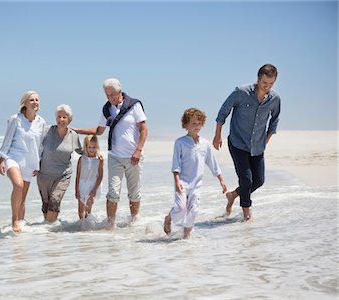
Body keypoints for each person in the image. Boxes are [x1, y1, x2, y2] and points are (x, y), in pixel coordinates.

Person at [74, 78, 148, 229]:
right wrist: (77, 130)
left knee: (134, 193)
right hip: (115, 157)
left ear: (120, 91)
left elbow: (143, 129)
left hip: (134, 156)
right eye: (108, 95)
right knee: (113, 192)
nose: (111, 98)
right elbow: (98, 131)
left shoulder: (134, 105)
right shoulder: (107, 109)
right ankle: (110, 225)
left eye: (113, 94)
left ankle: (134, 223)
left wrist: (138, 150)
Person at [213, 64, 281, 221]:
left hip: (257, 146)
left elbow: (274, 122)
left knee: (259, 181)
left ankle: (233, 195)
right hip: (238, 143)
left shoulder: (275, 99)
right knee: (246, 179)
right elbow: (223, 112)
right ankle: (246, 214)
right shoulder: (241, 92)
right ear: (258, 79)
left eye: (271, 84)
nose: (267, 87)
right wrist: (218, 135)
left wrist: (265, 142)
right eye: (265, 83)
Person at [163, 108, 227, 239]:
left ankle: (186, 237)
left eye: (199, 123)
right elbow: (175, 165)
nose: (197, 126)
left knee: (193, 211)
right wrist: (176, 181)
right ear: (186, 125)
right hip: (182, 183)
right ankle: (168, 218)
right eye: (193, 124)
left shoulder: (205, 144)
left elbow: (212, 163)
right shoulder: (180, 142)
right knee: (181, 209)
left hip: (197, 184)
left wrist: (221, 180)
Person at [0, 90, 46, 232]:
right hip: (13, 158)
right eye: (31, 100)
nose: (35, 102)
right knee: (18, 185)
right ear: (25, 103)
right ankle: (14, 221)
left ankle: (20, 225)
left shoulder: (41, 122)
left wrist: (38, 163)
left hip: (29, 162)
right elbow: (7, 140)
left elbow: (41, 145)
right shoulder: (16, 119)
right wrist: (1, 160)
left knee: (22, 198)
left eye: (37, 100)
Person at [37, 104, 83, 223]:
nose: (61, 120)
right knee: (46, 204)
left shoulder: (73, 136)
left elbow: (82, 152)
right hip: (44, 175)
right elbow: (33, 144)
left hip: (62, 175)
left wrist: (95, 154)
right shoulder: (46, 131)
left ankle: (49, 229)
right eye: (59, 117)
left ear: (69, 120)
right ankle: (49, 232)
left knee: (55, 200)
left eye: (64, 117)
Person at [75, 135, 104, 219]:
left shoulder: (99, 159)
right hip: (82, 185)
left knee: (88, 210)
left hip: (93, 186)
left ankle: (87, 227)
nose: (92, 149)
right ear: (86, 147)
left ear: (97, 146)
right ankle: (81, 228)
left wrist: (94, 190)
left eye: (94, 147)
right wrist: (76, 190)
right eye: (89, 147)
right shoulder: (81, 159)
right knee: (80, 211)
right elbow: (78, 176)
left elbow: (101, 176)